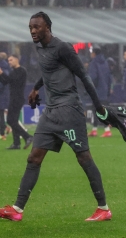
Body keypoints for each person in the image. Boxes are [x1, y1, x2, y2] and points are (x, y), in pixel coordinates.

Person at [0, 11, 112, 222]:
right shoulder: (40, 48)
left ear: (47, 27)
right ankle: (17, 209)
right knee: (34, 157)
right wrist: (35, 88)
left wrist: (98, 107)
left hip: (69, 110)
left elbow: (83, 75)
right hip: (51, 112)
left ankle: (104, 208)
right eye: (31, 27)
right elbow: (48, 70)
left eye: (37, 27)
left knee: (83, 157)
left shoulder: (63, 47)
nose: (33, 31)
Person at [0, 53, 33, 150]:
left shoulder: (21, 71)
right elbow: (6, 81)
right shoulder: (13, 71)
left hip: (17, 99)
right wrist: (1, 74)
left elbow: (14, 80)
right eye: (8, 60)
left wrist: (1, 73)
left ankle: (27, 136)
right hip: (13, 98)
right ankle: (16, 143)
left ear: (16, 59)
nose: (9, 62)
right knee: (13, 120)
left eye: (11, 60)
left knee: (10, 120)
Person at [88, 45, 112, 137]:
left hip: (96, 90)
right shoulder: (105, 63)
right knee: (99, 110)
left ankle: (106, 130)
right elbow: (109, 77)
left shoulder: (94, 63)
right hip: (104, 90)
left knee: (98, 110)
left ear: (94, 53)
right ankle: (94, 130)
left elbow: (93, 77)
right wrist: (108, 89)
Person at [0, 52, 9, 141]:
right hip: (2, 96)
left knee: (1, 115)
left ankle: (2, 133)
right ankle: (6, 128)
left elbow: (3, 83)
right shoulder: (5, 66)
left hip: (1, 96)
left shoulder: (4, 68)